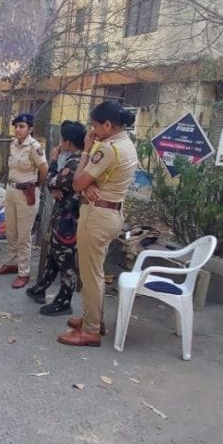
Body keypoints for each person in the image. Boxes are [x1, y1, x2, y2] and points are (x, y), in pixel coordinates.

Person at [59, 100, 139, 347]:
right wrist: (89, 184)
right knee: (96, 271)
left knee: (91, 274)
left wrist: (85, 151)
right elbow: (92, 180)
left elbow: (76, 183)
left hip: (97, 217)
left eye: (95, 126)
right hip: (111, 213)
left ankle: (91, 329)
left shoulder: (107, 149)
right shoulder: (125, 144)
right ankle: (94, 317)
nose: (92, 131)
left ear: (108, 124)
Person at [26, 120, 86, 316]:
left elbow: (52, 181)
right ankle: (40, 288)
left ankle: (64, 301)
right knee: (54, 254)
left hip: (69, 220)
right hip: (63, 216)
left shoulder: (75, 163)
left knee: (66, 260)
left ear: (67, 142)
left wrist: (53, 160)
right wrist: (54, 186)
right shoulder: (74, 160)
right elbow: (54, 185)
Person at [0, 113, 48, 289]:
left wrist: (36, 185)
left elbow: (44, 169)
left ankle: (23, 272)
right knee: (11, 231)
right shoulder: (13, 145)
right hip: (11, 190)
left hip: (27, 193)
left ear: (30, 129)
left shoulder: (35, 147)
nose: (18, 129)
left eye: (22, 126)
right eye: (16, 126)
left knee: (24, 235)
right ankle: (11, 262)